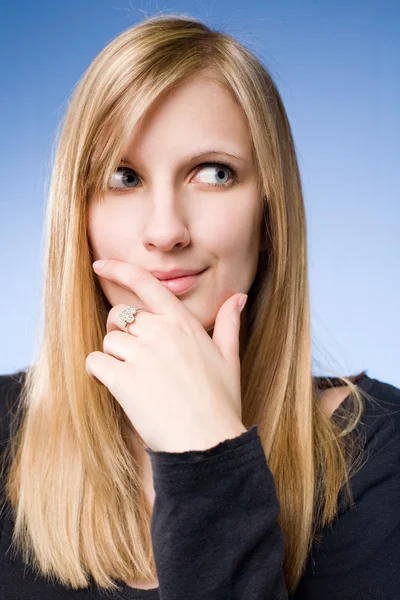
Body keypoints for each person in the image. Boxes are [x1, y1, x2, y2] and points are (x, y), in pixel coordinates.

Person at [0, 13, 399, 600]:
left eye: (214, 174)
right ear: (77, 219)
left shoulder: (381, 455)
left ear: (270, 213)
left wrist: (207, 457)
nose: (166, 232)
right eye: (123, 177)